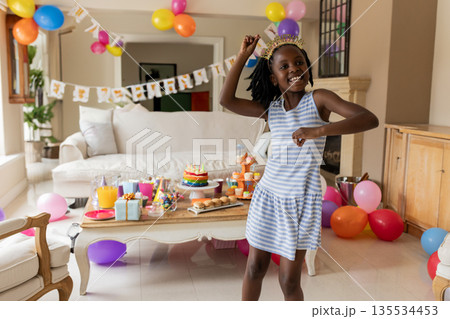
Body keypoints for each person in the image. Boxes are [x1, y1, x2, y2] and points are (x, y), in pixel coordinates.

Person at [220, 34, 379, 301]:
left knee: (288, 279)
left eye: (299, 62)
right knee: (255, 267)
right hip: (268, 197)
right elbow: (227, 101)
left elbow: (369, 118)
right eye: (284, 66)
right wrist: (242, 57)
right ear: (273, 78)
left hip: (301, 202)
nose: (294, 68)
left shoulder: (318, 99)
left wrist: (319, 130)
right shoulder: (271, 108)